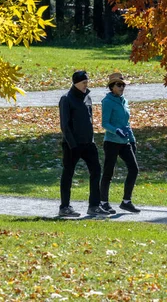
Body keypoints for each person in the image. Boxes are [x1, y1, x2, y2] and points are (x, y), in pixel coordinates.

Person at [58, 70, 110, 217]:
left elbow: (90, 120)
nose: (86, 85)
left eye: (87, 82)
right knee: (68, 173)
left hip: (88, 143)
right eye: (83, 83)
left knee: (96, 170)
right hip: (72, 145)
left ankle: (94, 205)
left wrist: (91, 139)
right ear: (76, 83)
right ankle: (64, 207)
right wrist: (72, 145)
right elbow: (65, 125)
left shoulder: (88, 97)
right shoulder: (66, 99)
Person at [100, 72, 141, 214]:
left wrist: (132, 139)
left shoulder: (124, 101)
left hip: (125, 141)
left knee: (134, 169)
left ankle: (126, 202)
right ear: (112, 87)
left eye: (123, 84)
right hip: (111, 141)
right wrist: (116, 130)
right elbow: (104, 123)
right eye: (119, 84)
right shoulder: (107, 101)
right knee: (108, 172)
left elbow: (127, 123)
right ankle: (103, 202)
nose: (122, 87)